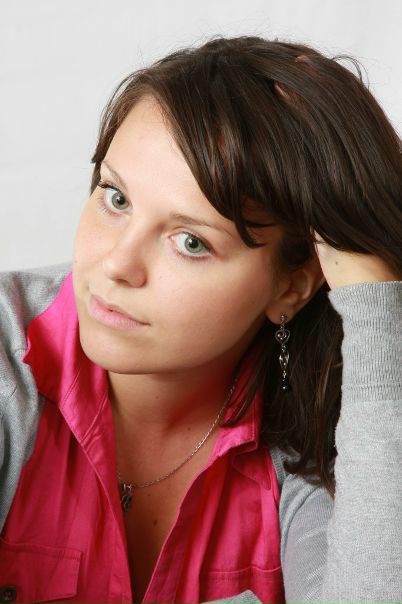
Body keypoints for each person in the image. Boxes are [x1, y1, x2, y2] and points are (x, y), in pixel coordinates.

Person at [0, 35, 401, 604]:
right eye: (116, 198)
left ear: (290, 287)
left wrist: (376, 304)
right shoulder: (8, 351)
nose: (116, 265)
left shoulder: (334, 440)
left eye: (191, 241)